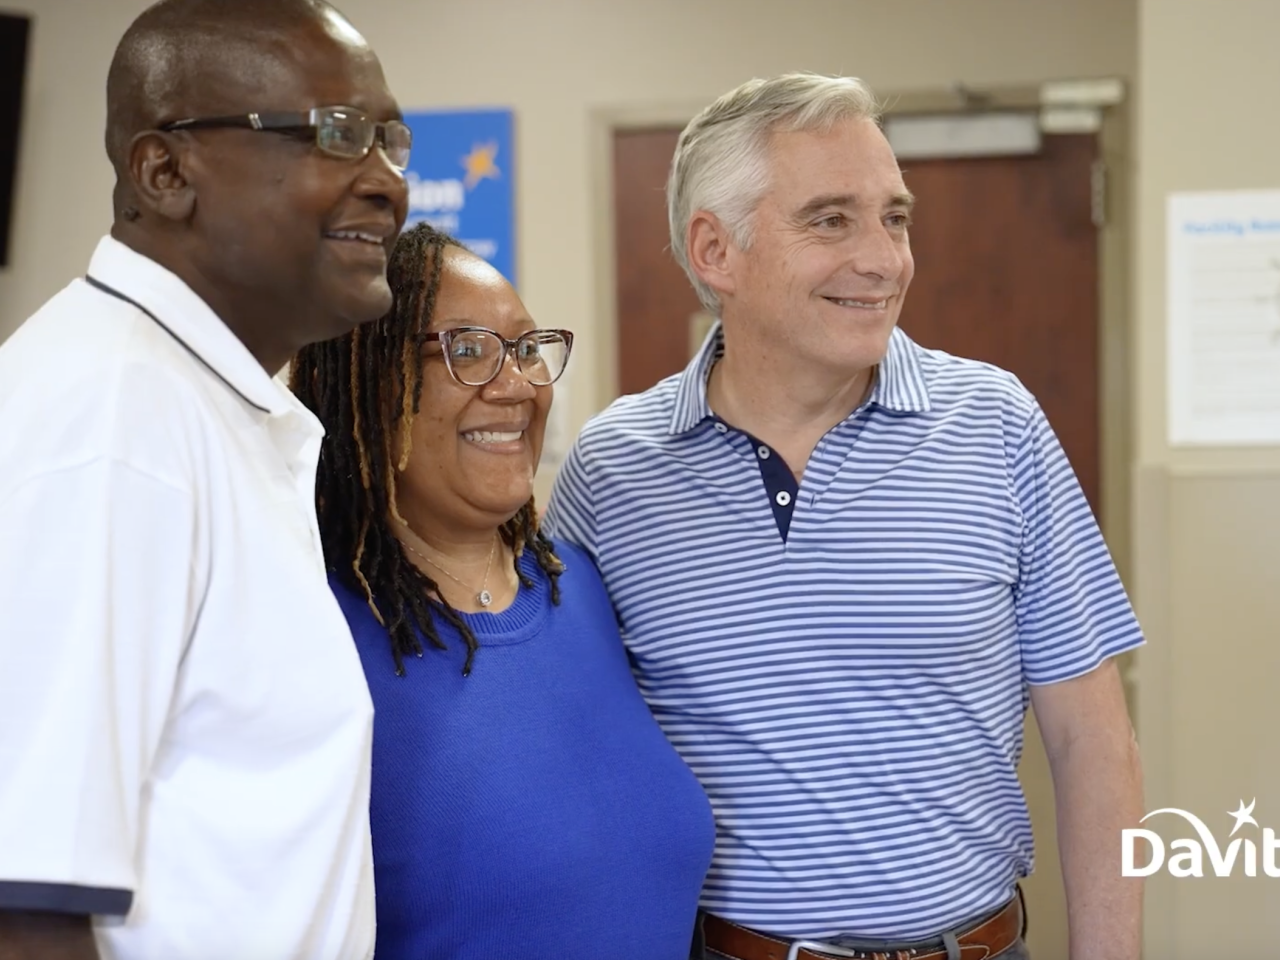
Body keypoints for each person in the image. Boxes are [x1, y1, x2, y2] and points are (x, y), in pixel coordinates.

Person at [545, 73, 1145, 960]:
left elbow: (1093, 739)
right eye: (832, 219)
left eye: (894, 217)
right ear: (716, 251)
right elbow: (568, 751)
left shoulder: (997, 425)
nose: (884, 258)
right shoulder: (614, 469)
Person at [0, 1, 409, 958]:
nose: (389, 182)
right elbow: (25, 897)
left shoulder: (192, 400)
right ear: (165, 171)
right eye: (339, 134)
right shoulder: (110, 420)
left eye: (390, 140)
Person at [289, 221, 716, 960]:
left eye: (523, 349)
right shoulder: (312, 629)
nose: (516, 385)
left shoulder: (580, 587)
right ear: (365, 379)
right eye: (467, 351)